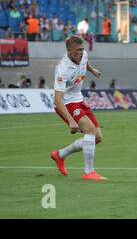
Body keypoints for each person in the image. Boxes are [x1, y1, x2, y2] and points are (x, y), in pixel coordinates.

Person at [50, 35, 106, 180]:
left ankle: (60, 155)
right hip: (67, 103)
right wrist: (71, 121)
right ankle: (88, 172)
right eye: (78, 50)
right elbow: (57, 100)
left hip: (79, 99)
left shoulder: (83, 55)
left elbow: (85, 62)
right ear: (69, 50)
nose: (81, 52)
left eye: (82, 49)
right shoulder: (62, 70)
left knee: (97, 138)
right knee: (89, 131)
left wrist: (92, 70)